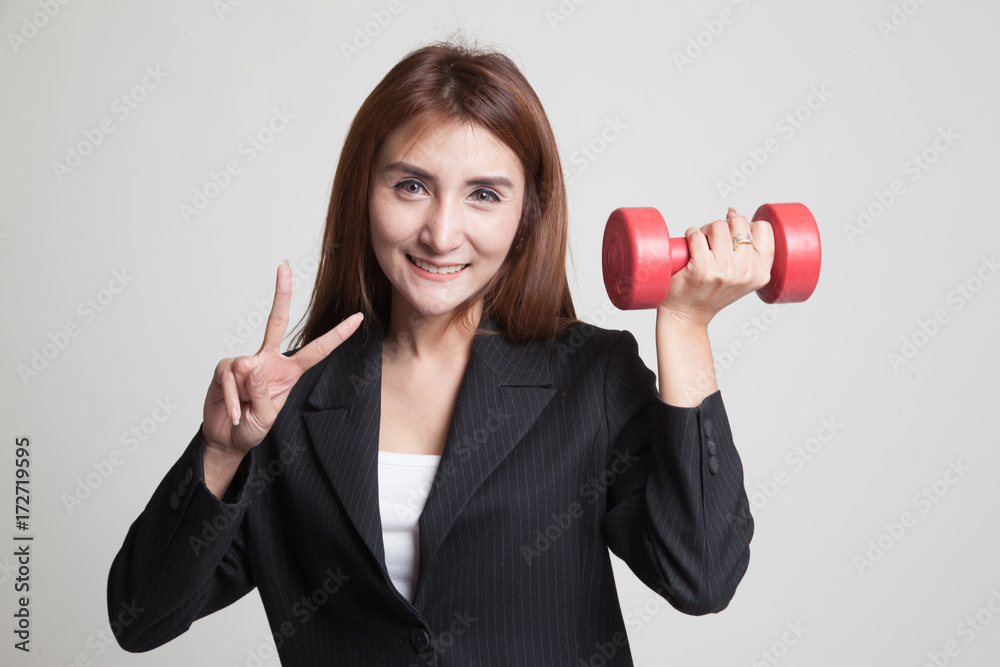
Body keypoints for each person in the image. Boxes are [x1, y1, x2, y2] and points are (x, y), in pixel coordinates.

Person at [108, 40, 770, 666]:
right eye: (411, 186)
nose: (442, 233)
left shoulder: (590, 376)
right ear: (365, 193)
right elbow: (140, 617)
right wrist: (220, 452)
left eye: (484, 195)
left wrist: (685, 325)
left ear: (526, 215)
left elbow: (702, 577)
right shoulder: (287, 401)